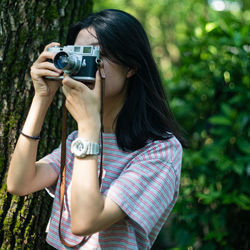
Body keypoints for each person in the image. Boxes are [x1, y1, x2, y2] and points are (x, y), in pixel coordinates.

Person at [7, 9, 185, 250]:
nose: (83, 64)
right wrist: (42, 98)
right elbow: (20, 183)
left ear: (130, 67)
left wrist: (89, 126)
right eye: (78, 53)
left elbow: (84, 222)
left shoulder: (160, 152)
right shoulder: (78, 139)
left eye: (96, 54)